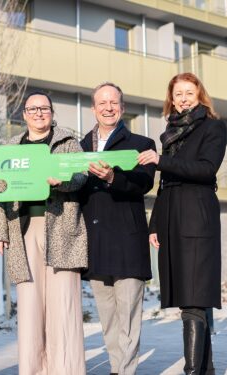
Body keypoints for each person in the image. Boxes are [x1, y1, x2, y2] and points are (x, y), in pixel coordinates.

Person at [0, 91, 88, 374]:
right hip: (22, 231)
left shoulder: (69, 142)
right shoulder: (9, 147)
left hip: (62, 229)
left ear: (52, 112)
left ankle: (66, 370)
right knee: (30, 309)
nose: (38, 113)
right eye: (32, 109)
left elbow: (82, 176)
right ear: (23, 114)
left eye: (44, 108)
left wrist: (64, 181)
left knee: (64, 308)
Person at [137, 72, 227, 375]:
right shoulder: (171, 132)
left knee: (194, 296)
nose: (184, 98)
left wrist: (160, 160)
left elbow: (205, 169)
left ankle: (191, 371)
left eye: (189, 92)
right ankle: (205, 370)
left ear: (200, 95)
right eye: (178, 94)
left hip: (197, 216)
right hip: (172, 216)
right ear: (171, 99)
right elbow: (165, 184)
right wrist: (155, 223)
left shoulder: (213, 127)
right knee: (189, 297)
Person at [79, 82, 156, 375]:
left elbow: (144, 182)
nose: (108, 107)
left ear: (122, 108)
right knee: (108, 317)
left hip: (127, 240)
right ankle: (116, 368)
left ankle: (126, 370)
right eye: (102, 103)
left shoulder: (142, 143)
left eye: (114, 102)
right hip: (94, 241)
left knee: (128, 315)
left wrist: (113, 177)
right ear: (93, 109)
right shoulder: (80, 146)